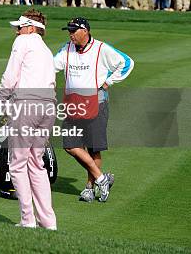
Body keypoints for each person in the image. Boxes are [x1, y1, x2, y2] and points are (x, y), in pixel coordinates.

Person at [53, 17, 134, 203]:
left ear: (85, 31)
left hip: (96, 104)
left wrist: (108, 82)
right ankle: (101, 178)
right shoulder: (66, 49)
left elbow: (127, 62)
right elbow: (51, 66)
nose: (71, 34)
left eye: (74, 31)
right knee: (70, 145)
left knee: (93, 148)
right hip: (73, 105)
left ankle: (89, 188)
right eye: (69, 31)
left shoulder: (101, 48)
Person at [0, 9, 57, 230]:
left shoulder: (23, 41)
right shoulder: (46, 50)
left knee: (18, 163)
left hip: (27, 106)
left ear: (31, 27)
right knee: (36, 163)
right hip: (48, 107)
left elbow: (10, 76)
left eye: (20, 27)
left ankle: (27, 220)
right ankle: (49, 223)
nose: (17, 30)